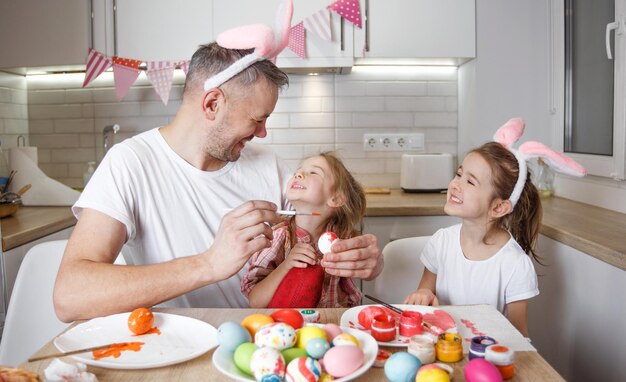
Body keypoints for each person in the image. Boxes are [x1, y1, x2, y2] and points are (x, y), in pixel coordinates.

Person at [53, 42, 383, 322]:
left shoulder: (268, 165)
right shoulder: (131, 163)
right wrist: (208, 263)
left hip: (267, 343)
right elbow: (70, 296)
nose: (263, 133)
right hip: (180, 348)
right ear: (213, 104)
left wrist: (368, 261)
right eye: (257, 119)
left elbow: (324, 229)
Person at [403, 119, 586, 336]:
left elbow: (519, 334)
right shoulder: (441, 241)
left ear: (498, 207)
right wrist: (422, 295)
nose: (455, 184)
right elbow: (426, 289)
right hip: (442, 349)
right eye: (459, 174)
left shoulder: (515, 264)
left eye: (470, 182)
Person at [242, 152, 366, 308]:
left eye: (313, 172)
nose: (298, 174)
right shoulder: (277, 237)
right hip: (288, 327)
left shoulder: (344, 241)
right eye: (297, 172)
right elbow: (255, 301)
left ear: (336, 198)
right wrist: (286, 266)